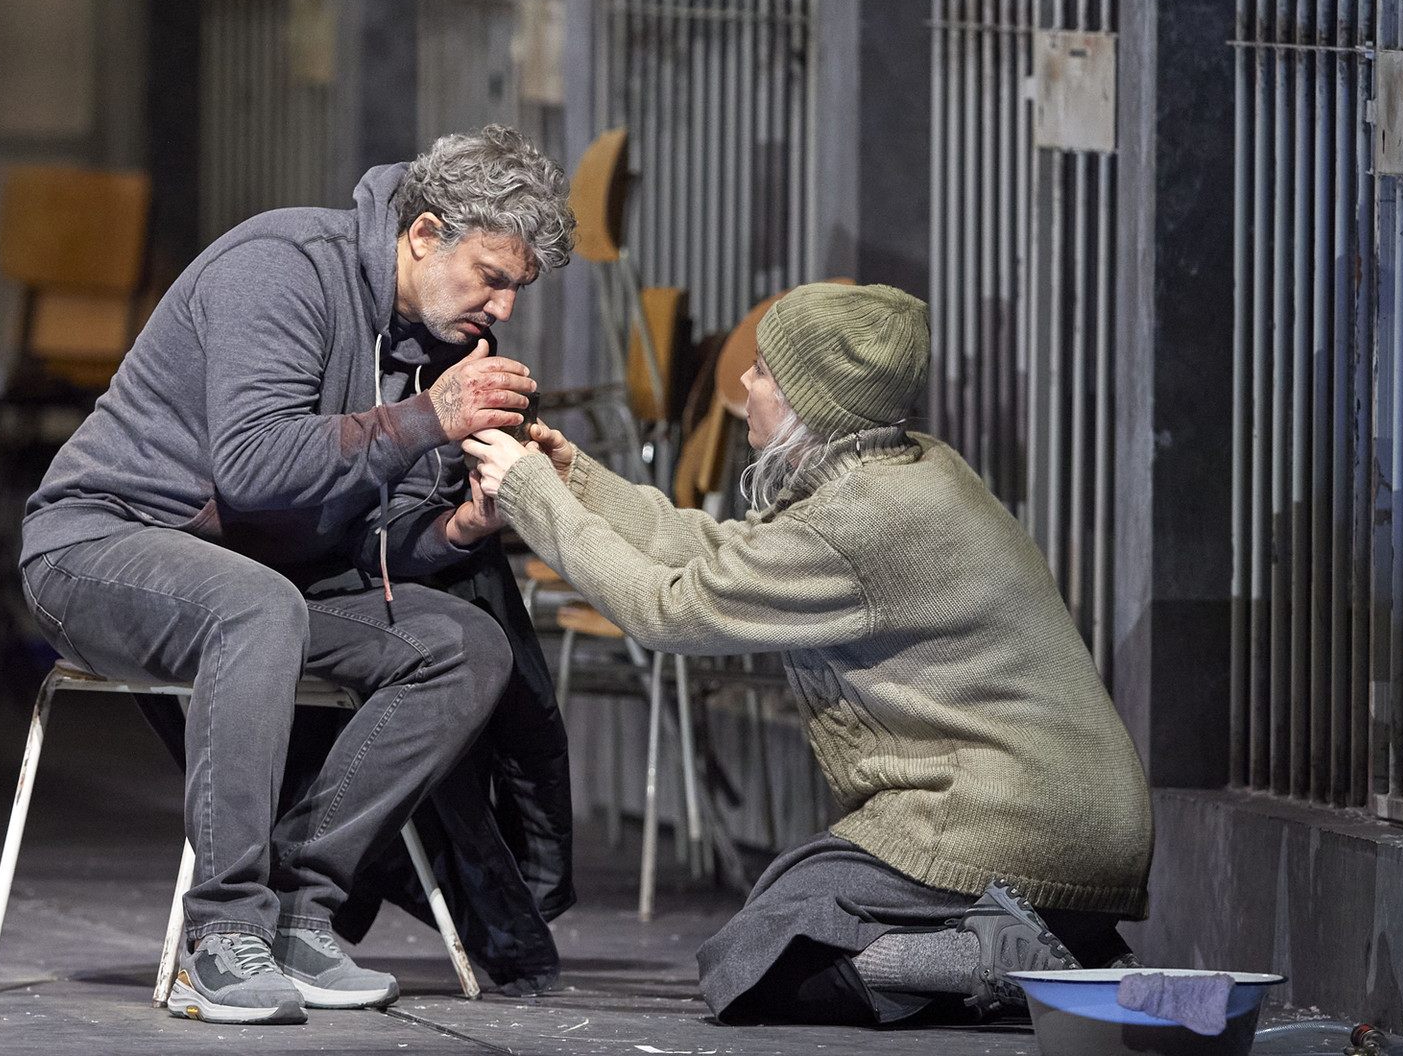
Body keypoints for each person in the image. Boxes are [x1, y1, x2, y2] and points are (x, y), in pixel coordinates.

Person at [464, 282, 1153, 1026]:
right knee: (795, 901)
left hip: (1008, 821)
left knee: (759, 955)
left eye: (762, 371)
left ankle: (1000, 964)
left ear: (807, 400)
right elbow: (721, 553)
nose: (744, 383)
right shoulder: (915, 470)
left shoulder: (859, 518)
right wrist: (575, 482)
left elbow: (669, 610)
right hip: (1067, 822)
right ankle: (1072, 952)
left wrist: (531, 495)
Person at [20, 125, 575, 1025]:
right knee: (257, 608)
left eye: (520, 288)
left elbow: (372, 546)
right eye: (492, 276)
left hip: (259, 579)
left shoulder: (434, 340)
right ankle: (222, 934)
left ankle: (298, 908)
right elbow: (253, 466)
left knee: (462, 645)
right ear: (424, 234)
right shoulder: (282, 266)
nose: (504, 307)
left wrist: (461, 525)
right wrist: (427, 419)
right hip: (100, 545)